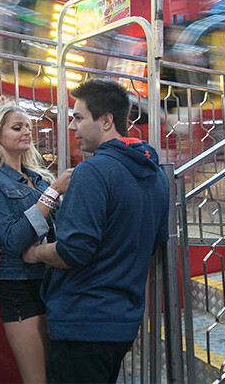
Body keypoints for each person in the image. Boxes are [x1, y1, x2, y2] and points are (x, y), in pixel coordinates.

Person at [23, 79, 169, 383]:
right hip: (123, 322)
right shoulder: (156, 175)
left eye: (79, 117)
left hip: (83, 322)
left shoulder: (93, 171)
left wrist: (36, 252)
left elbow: (72, 251)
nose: (72, 126)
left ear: (106, 121)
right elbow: (156, 240)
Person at [0, 99, 72, 383]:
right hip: (21, 287)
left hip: (57, 283)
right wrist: (52, 193)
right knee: (37, 378)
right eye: (17, 128)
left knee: (61, 375)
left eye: (28, 127)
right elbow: (13, 241)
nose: (27, 132)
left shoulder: (39, 179)